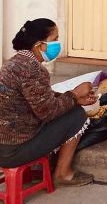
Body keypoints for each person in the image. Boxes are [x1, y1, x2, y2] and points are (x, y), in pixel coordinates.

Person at [0, 19, 97, 186]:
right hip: (13, 151)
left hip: (5, 145)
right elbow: (48, 112)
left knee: (73, 107)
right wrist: (74, 95)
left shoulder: (13, 62)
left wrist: (74, 98)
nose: (57, 45)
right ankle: (62, 173)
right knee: (77, 115)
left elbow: (42, 96)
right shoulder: (33, 69)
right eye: (54, 39)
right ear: (40, 45)